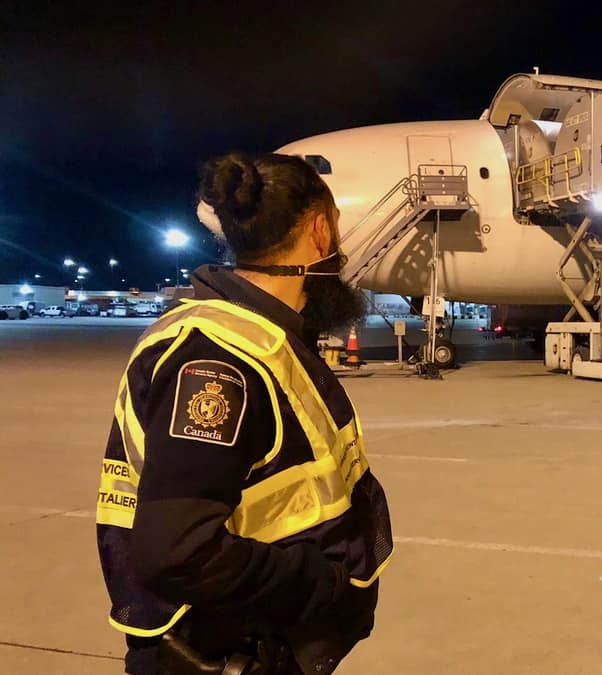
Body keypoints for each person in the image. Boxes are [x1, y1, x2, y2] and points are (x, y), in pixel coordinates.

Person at [96, 153, 392, 674]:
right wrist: (319, 583)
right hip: (228, 653)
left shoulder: (262, 338)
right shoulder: (218, 359)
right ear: (321, 234)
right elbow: (177, 550)